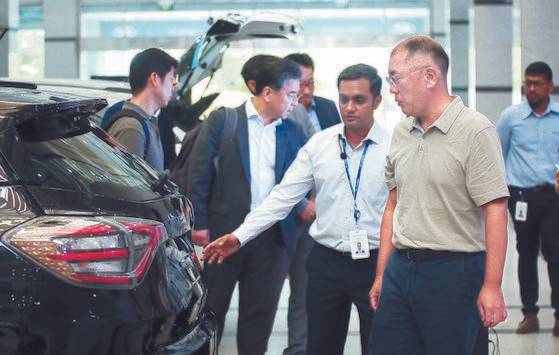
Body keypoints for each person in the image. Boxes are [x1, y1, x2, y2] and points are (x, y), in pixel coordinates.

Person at [204, 64, 390, 355]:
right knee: (320, 348)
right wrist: (239, 236)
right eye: (343, 99)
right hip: (326, 262)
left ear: (377, 101)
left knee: (380, 346)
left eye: (359, 99)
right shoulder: (320, 145)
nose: (349, 107)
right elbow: (281, 198)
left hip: (376, 264)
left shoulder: (394, 148)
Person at [369, 35, 509, 355]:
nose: (391, 88)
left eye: (395, 77)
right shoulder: (402, 130)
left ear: (430, 76)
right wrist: (382, 274)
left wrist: (492, 285)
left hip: (454, 272)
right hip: (400, 270)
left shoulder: (475, 131)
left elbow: (495, 211)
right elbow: (393, 206)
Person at [186, 57, 307, 355]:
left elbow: (301, 182)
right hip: (223, 234)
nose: (296, 102)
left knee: (259, 317)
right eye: (291, 94)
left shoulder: (293, 131)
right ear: (268, 93)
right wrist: (199, 224)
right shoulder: (224, 121)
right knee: (210, 313)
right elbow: (199, 173)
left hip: (272, 240)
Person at [282, 52, 341, 355]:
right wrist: (302, 203)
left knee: (308, 291)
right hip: (290, 217)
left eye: (310, 82)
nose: (306, 91)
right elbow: (279, 170)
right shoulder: (282, 113)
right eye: (300, 84)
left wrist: (320, 199)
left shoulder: (331, 109)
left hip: (325, 215)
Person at [496, 61, 559, 336]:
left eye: (537, 83)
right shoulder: (511, 117)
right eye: (527, 83)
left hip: (552, 197)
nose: (530, 88)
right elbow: (498, 155)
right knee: (526, 254)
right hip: (520, 197)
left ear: (550, 86)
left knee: (556, 255)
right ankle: (529, 314)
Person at [106, 48, 177, 171]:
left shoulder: (146, 123)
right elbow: (127, 188)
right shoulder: (131, 128)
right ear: (155, 78)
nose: (173, 87)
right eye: (171, 79)